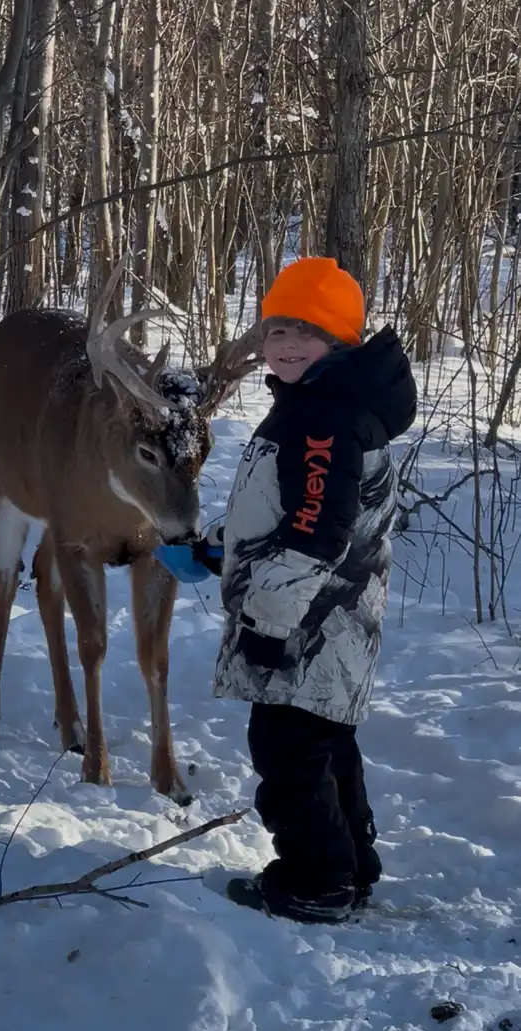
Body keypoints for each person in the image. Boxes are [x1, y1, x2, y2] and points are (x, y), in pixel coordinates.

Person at [159, 256, 417, 924]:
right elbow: (300, 510)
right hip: (332, 617)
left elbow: (314, 536)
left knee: (288, 754)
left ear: (342, 342)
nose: (288, 344)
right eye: (277, 330)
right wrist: (220, 549)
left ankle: (315, 882)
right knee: (326, 745)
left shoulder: (324, 419)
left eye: (309, 332)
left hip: (304, 625)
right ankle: (350, 867)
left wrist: (268, 622)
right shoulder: (326, 406)